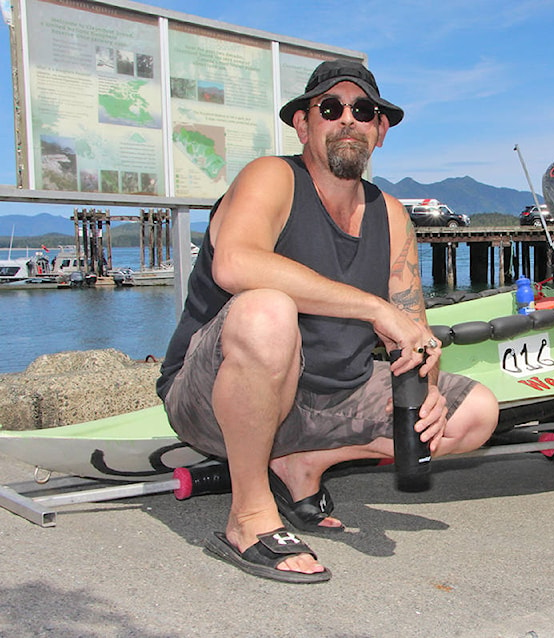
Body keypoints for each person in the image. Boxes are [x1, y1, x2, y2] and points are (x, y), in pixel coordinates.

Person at [156, 59, 499, 583]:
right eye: (331, 108)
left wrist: (426, 386)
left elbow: (414, 330)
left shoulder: (390, 213)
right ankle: (248, 515)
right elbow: (235, 262)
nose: (348, 120)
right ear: (303, 124)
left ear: (380, 131)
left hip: (333, 398)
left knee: (476, 412)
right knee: (266, 309)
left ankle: (304, 463)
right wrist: (372, 307)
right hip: (213, 395)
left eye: (363, 110)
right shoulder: (272, 177)